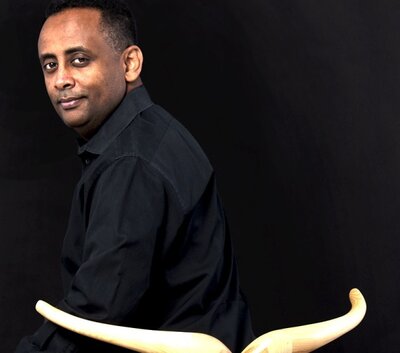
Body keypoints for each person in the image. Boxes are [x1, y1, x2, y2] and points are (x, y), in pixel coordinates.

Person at [15, 0, 254, 352]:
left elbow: (93, 317)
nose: (61, 79)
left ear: (129, 63)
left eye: (79, 60)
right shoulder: (151, 135)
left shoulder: (131, 164)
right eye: (50, 65)